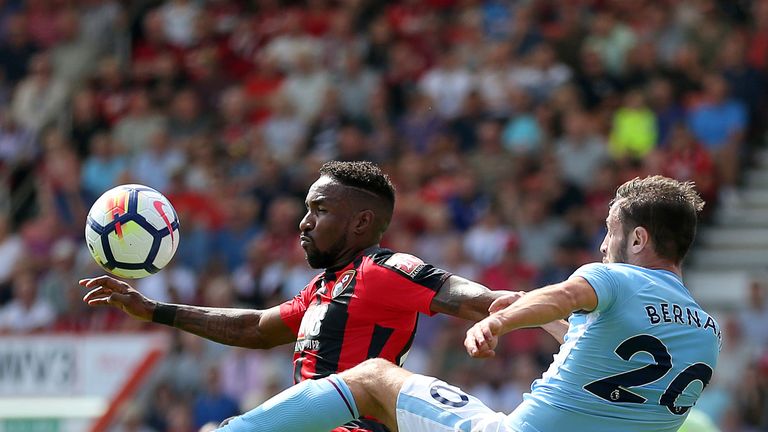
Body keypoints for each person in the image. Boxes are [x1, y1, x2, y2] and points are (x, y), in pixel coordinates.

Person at [214, 175, 721, 432]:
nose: (601, 247)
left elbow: (564, 295)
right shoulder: (705, 331)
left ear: (637, 239)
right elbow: (606, 365)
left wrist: (501, 320)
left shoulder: (613, 277)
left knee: (372, 377)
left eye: (609, 234)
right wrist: (541, 322)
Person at [81, 161, 524, 432]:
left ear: (361, 223)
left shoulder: (383, 269)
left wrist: (538, 312)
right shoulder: (325, 286)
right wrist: (152, 309)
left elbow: (471, 296)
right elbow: (256, 328)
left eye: (321, 210)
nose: (304, 223)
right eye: (307, 209)